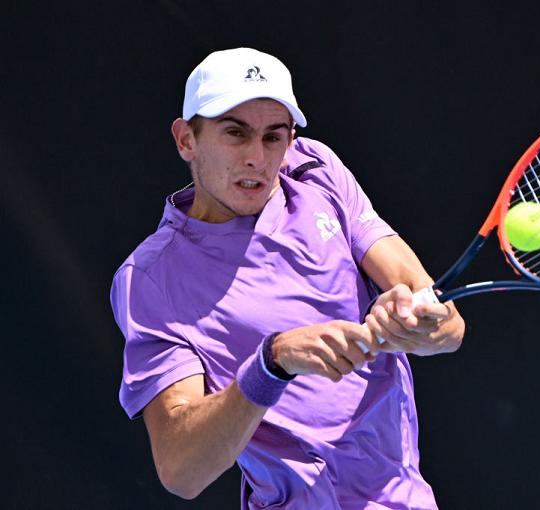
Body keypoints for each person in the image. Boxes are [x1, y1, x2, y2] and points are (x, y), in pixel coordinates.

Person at [110, 47, 465, 509]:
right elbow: (181, 469)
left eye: (274, 136)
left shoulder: (316, 171)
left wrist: (415, 324)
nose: (258, 157)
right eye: (235, 133)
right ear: (186, 140)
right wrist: (272, 363)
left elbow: (449, 326)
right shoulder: (151, 278)